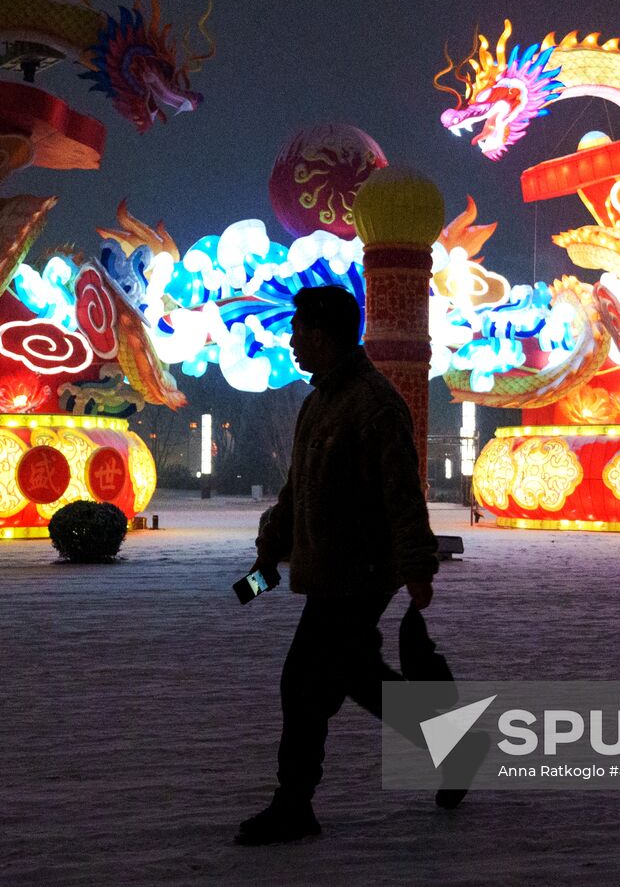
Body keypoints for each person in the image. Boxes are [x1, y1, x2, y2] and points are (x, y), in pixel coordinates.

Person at [237, 285, 449, 847]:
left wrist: (418, 567)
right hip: (328, 568)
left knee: (302, 682)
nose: (292, 341)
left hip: (359, 574)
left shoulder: (374, 403)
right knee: (358, 677)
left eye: (300, 330)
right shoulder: (321, 400)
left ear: (325, 333)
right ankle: (454, 746)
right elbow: (297, 487)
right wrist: (272, 541)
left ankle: (294, 804)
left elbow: (403, 492)